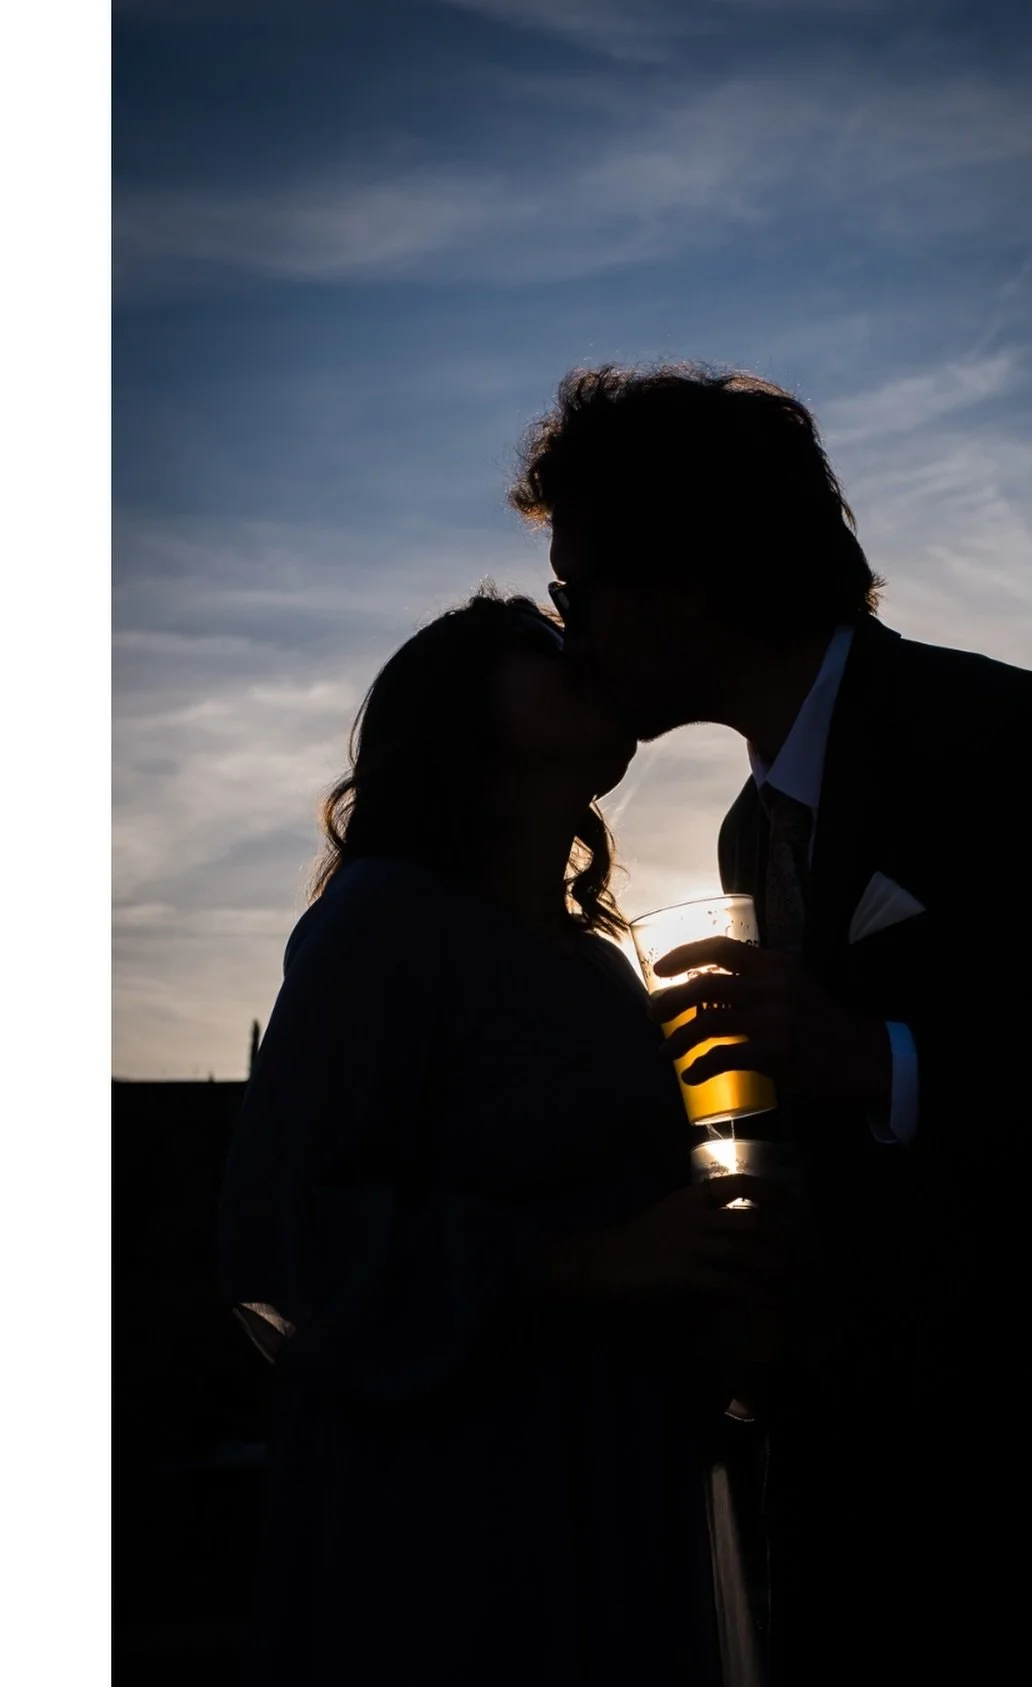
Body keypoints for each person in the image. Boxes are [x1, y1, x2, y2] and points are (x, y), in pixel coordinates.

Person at [509, 364, 1032, 1685]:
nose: (569, 634)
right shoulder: (743, 832)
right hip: (856, 1504)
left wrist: (880, 1061)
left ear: (678, 580)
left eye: (576, 591)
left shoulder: (1008, 733)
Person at [217, 590, 784, 1687]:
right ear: (457, 717)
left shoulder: (597, 963)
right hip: (453, 1520)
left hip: (618, 1490)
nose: (576, 651)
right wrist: (582, 1263)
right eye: (534, 647)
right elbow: (282, 1242)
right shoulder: (380, 924)